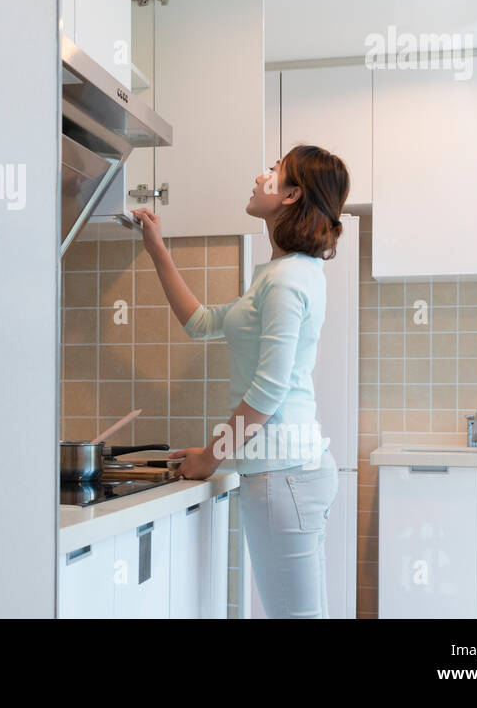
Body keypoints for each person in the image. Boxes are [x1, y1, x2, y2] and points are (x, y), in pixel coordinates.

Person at [131, 143, 351, 619]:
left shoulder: (288, 279)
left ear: (292, 194)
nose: (260, 176)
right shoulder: (280, 274)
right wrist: (157, 250)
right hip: (290, 471)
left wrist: (212, 456)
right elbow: (202, 322)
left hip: (283, 474)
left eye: (273, 171)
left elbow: (269, 390)